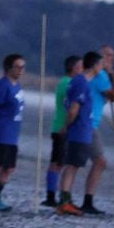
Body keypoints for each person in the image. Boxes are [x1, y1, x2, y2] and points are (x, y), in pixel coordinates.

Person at [72, 48, 114, 216]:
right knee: (97, 161)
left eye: (112, 55)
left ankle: (84, 200)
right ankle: (84, 201)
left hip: (91, 122)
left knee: (80, 163)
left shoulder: (96, 75)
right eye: (107, 55)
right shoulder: (100, 75)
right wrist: (112, 75)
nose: (110, 58)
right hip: (88, 124)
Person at [0, 53, 27, 211]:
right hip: (2, 131)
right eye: (18, 67)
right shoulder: (3, 85)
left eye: (23, 67)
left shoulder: (17, 86)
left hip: (13, 133)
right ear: (9, 68)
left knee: (9, 167)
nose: (21, 70)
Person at [55, 59, 96, 217]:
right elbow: (73, 109)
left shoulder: (79, 82)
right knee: (71, 165)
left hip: (81, 130)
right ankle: (64, 201)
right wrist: (66, 126)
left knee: (73, 166)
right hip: (78, 131)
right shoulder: (80, 82)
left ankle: (66, 199)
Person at [43, 54, 81, 207]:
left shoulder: (66, 82)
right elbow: (72, 105)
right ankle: (51, 196)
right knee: (58, 162)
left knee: (58, 161)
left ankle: (54, 195)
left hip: (61, 127)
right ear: (74, 68)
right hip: (62, 128)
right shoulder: (68, 83)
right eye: (81, 66)